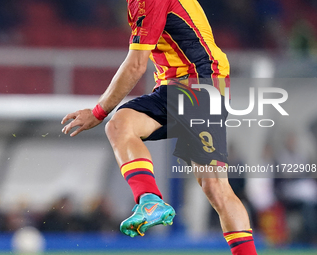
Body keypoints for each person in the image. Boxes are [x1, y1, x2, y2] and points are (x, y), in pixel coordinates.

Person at [61, 0, 257, 254]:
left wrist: (97, 112)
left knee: (119, 124)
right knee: (216, 186)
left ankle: (149, 199)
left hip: (194, 83)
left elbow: (135, 65)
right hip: (203, 84)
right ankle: (151, 200)